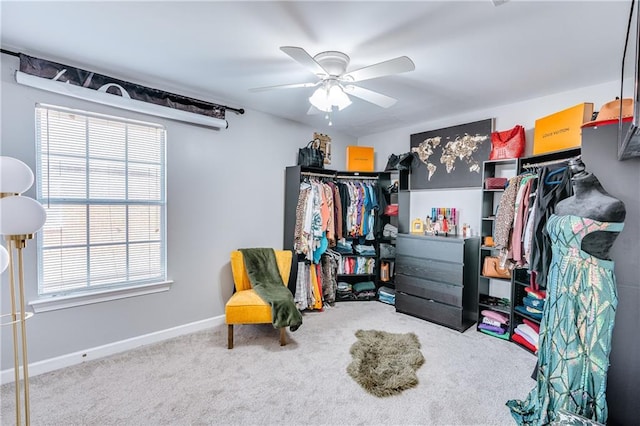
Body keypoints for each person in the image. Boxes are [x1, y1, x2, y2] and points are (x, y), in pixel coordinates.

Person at [507, 161, 625, 425]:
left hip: (589, 287)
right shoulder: (561, 205)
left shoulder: (612, 207)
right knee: (555, 345)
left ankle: (575, 413)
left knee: (583, 354)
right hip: (559, 283)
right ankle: (551, 403)